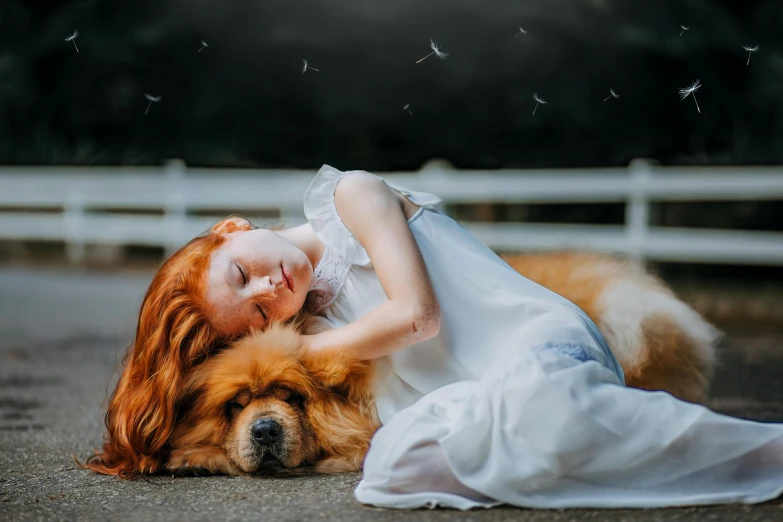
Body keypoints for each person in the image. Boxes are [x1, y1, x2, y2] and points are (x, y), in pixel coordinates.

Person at [88, 165, 783, 509]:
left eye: (242, 273)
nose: (267, 293)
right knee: (395, 466)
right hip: (482, 387)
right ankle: (582, 446)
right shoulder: (309, 317)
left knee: (544, 412)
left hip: (536, 343)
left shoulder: (350, 199)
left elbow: (417, 318)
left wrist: (287, 351)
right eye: (256, 318)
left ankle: (762, 455)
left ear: (232, 228)